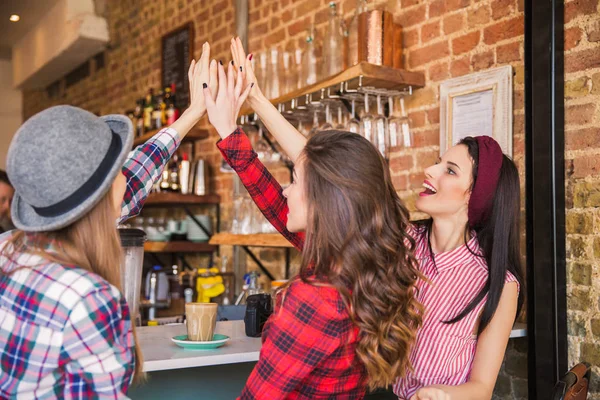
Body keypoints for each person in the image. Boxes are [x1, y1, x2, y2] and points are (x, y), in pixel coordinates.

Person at [226, 37, 524, 400]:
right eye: (436, 161)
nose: (429, 171)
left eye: (449, 170)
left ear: (475, 196)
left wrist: (440, 395)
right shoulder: (401, 242)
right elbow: (326, 174)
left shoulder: (498, 282)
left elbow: (481, 386)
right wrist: (256, 100)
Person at [202, 54, 424, 399]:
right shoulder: (361, 265)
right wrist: (236, 126)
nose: (286, 190)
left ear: (324, 202)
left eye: (294, 181)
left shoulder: (316, 298)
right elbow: (282, 201)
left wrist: (234, 126)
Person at [0, 44, 213, 398]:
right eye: (117, 169)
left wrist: (193, 112)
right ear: (100, 197)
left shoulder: (7, 248)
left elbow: (136, 173)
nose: (125, 173)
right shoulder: (88, 300)